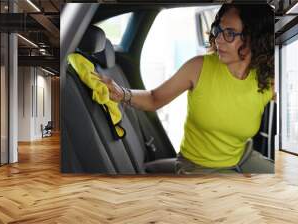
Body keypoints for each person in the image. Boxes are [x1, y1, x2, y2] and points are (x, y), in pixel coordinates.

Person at [99, 4, 275, 174]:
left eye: (229, 33)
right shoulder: (198, 67)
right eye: (218, 31)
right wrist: (122, 93)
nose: (219, 39)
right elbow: (154, 98)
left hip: (243, 158)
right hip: (198, 166)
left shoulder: (267, 78)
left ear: (254, 38)